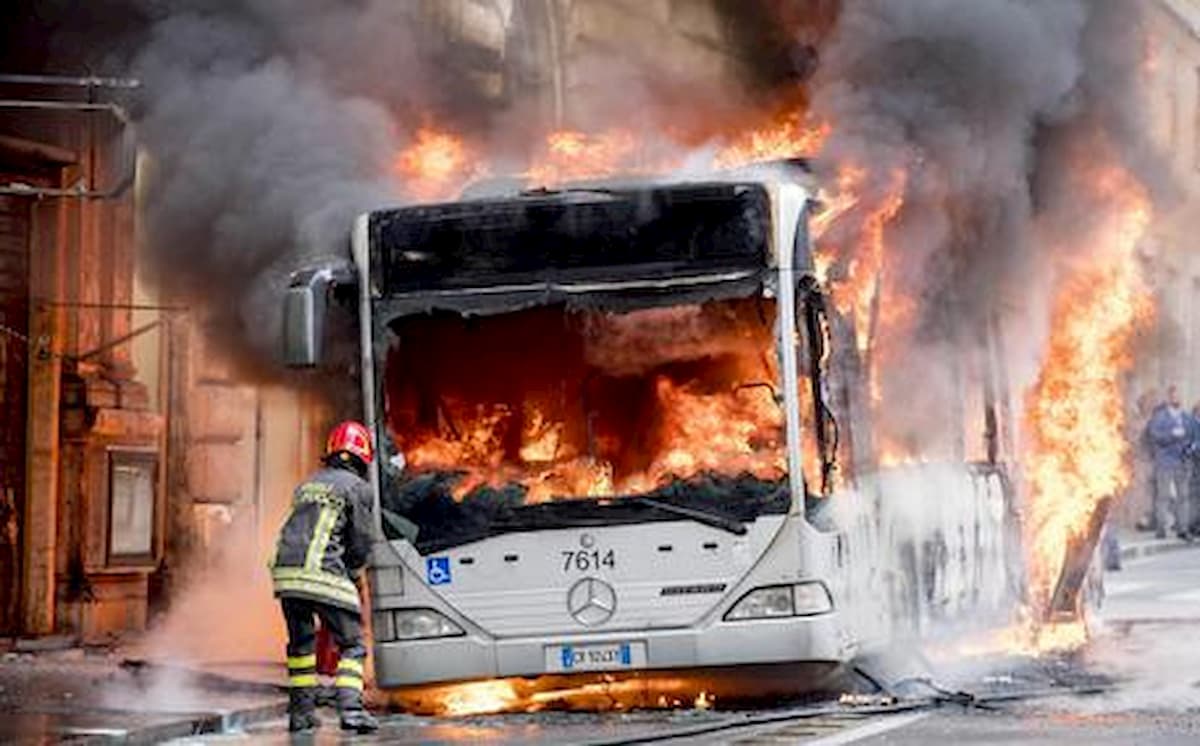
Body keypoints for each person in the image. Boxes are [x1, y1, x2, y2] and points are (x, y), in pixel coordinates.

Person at [270, 421, 379, 733]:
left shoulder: (306, 485)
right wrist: (355, 573)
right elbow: (360, 539)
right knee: (353, 645)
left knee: (301, 646)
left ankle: (301, 714)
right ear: (363, 458)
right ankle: (352, 711)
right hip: (324, 573)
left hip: (287, 575)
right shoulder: (358, 488)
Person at [1147, 386, 1193, 540]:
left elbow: (1193, 436)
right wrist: (1172, 435)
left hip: (1182, 462)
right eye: (1174, 396)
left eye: (1179, 396)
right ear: (1169, 398)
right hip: (1165, 462)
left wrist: (1190, 447)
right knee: (1163, 497)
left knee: (1183, 497)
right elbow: (1154, 436)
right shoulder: (1159, 417)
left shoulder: (1187, 417)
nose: (1177, 399)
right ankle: (1161, 529)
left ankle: (1183, 528)